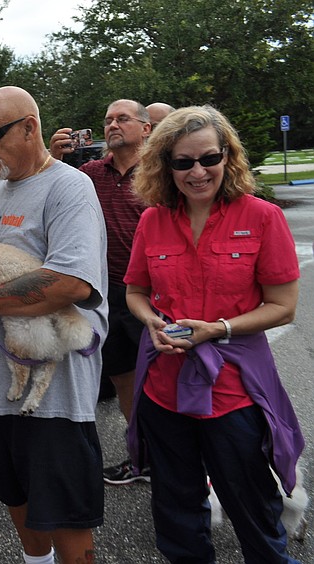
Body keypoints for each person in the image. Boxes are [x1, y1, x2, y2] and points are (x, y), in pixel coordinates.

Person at [124, 105, 303, 563]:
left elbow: (283, 308)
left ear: (228, 156)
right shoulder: (153, 220)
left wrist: (218, 329)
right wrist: (150, 321)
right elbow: (137, 292)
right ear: (166, 166)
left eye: (209, 158)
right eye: (183, 162)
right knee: (177, 507)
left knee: (252, 504)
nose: (198, 172)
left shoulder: (262, 217)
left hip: (233, 389)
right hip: (165, 385)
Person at [0, 86, 107, 564]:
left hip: (52, 397)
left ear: (30, 127)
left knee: (66, 514)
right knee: (15, 495)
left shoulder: (70, 187)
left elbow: (70, 283)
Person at [51, 100, 152, 485]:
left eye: (122, 118)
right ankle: (140, 457)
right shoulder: (90, 173)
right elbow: (49, 188)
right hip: (105, 290)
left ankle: (183, 461)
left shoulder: (160, 172)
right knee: (123, 377)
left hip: (151, 291)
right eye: (107, 119)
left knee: (162, 380)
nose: (112, 124)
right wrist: (53, 155)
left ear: (145, 128)